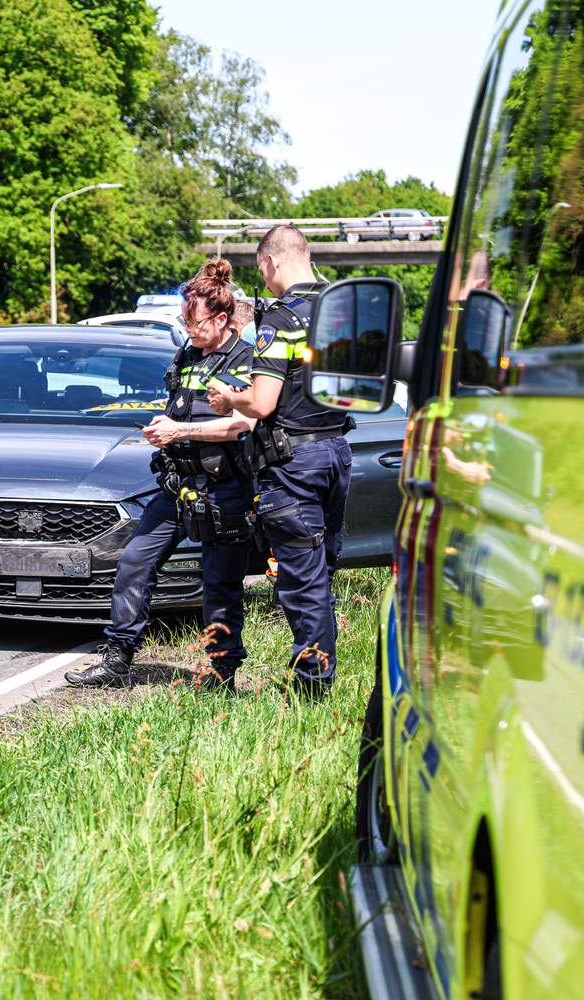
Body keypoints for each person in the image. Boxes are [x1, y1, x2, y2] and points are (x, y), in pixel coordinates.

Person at [66, 259, 259, 691]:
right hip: (177, 487)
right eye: (184, 321)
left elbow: (244, 424)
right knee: (134, 562)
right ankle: (117, 660)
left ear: (223, 318)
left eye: (196, 322)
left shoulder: (246, 359)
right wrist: (163, 424)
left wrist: (182, 430)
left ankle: (221, 672)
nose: (189, 330)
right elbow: (179, 407)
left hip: (224, 490)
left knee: (220, 585)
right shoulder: (188, 353)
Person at [206, 225, 352, 700]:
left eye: (263, 272)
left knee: (301, 583)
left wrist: (231, 399)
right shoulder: (340, 311)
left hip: (295, 464)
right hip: (337, 453)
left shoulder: (281, 319)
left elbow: (264, 403)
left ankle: (312, 690)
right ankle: (319, 679)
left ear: (271, 263)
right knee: (321, 575)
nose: (265, 281)